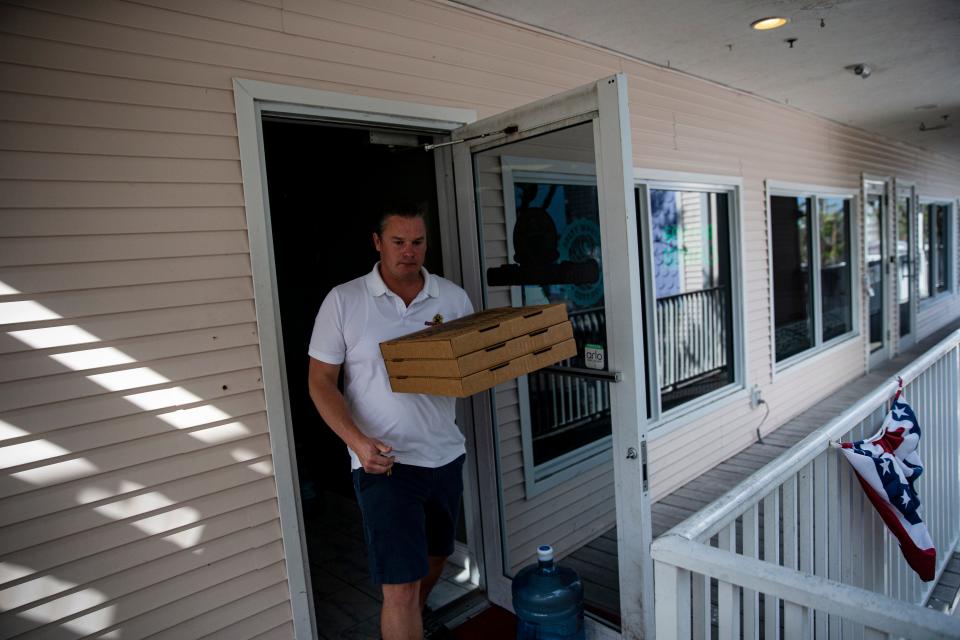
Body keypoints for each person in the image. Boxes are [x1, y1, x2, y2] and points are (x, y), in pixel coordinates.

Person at [307, 204, 473, 640]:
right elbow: (321, 383)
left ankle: (414, 619)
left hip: (444, 454)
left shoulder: (452, 298)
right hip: (384, 463)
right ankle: (407, 616)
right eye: (398, 242)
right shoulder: (344, 301)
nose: (409, 252)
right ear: (378, 242)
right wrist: (359, 443)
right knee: (398, 587)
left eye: (417, 242)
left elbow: (471, 366)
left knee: (437, 556)